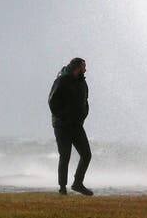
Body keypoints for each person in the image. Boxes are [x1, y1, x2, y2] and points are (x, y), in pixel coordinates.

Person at [48, 57, 93, 196]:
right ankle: (62, 188)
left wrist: (83, 115)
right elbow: (52, 102)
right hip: (61, 125)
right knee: (65, 155)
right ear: (77, 67)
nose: (85, 69)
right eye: (84, 67)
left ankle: (77, 183)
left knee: (86, 154)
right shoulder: (62, 80)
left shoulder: (82, 83)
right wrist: (63, 117)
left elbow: (85, 101)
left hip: (76, 125)